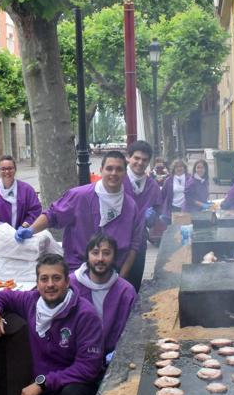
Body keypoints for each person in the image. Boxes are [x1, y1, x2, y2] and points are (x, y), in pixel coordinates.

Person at [0, 254, 103, 395]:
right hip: (45, 386)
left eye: (56, 278)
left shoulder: (85, 315)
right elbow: (0, 296)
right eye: (44, 279)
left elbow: (88, 368)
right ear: (37, 283)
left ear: (67, 282)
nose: (50, 284)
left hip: (74, 384)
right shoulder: (31, 302)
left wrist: (42, 383)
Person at [15, 151, 142, 278]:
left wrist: (121, 280)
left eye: (119, 169)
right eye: (109, 168)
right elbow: (52, 215)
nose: (114, 173)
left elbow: (133, 247)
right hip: (78, 272)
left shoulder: (131, 207)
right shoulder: (79, 196)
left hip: (112, 274)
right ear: (101, 170)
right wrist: (31, 229)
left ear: (125, 173)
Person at [69, 233, 136, 357]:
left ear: (114, 257)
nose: (100, 258)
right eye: (95, 253)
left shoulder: (126, 292)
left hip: (111, 358)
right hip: (76, 357)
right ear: (87, 256)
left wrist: (119, 353)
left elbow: (132, 330)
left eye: (106, 253)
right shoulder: (71, 285)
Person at [122, 141, 161, 291]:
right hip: (116, 243)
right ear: (128, 158)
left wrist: (153, 218)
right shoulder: (118, 180)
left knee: (134, 285)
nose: (140, 162)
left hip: (139, 243)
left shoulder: (153, 186)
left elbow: (155, 216)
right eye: (136, 158)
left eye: (144, 160)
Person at [0, 155, 41, 243]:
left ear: (15, 169)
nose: (7, 171)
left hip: (19, 238)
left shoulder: (27, 189)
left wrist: (24, 226)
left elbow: (35, 210)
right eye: (3, 169)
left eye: (10, 168)